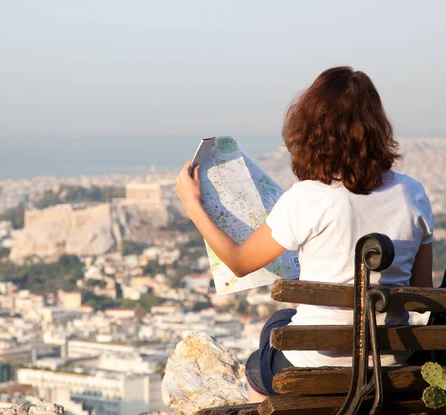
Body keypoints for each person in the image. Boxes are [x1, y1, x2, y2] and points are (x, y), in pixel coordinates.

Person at [175, 66, 434, 402]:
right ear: (376, 126)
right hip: (392, 362)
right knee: (283, 320)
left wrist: (194, 207)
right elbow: (423, 292)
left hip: (314, 361)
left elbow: (239, 263)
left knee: (265, 349)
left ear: (312, 129)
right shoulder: (412, 194)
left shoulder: (308, 198)